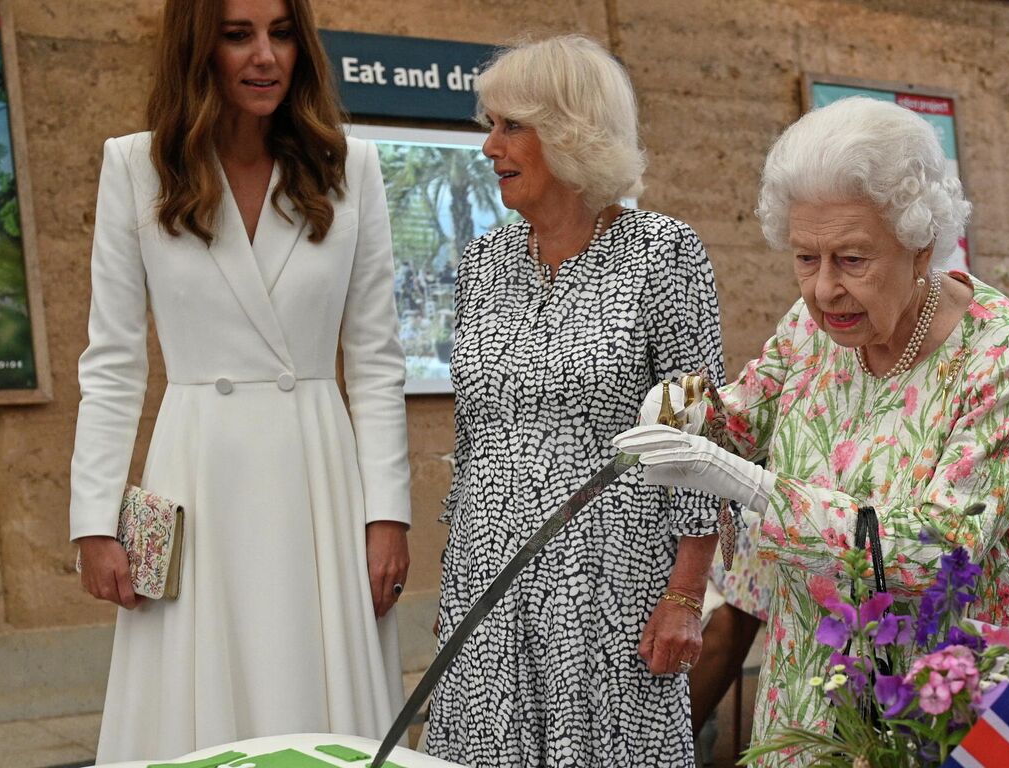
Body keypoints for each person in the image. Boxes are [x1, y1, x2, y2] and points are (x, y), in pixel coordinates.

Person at [613, 97, 1009, 763]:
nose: (823, 290)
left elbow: (936, 551)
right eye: (804, 258)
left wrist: (756, 489)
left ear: (921, 245)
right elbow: (746, 416)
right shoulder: (810, 327)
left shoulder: (1005, 355)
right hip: (804, 691)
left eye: (852, 259)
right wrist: (685, 405)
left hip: (933, 706)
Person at [67, 0, 411, 760]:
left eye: (282, 34)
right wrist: (94, 521)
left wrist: (387, 514)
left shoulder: (349, 167)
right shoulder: (136, 167)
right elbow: (115, 362)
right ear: (198, 48)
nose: (265, 56)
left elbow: (378, 358)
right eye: (237, 35)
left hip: (318, 473)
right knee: (194, 709)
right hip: (195, 473)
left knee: (321, 700)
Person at [421, 36, 726, 767]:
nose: (488, 145)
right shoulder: (485, 265)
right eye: (488, 125)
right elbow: (473, 436)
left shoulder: (664, 253)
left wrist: (686, 594)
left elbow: (699, 435)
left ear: (571, 130)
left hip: (609, 584)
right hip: (486, 576)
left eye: (509, 126)